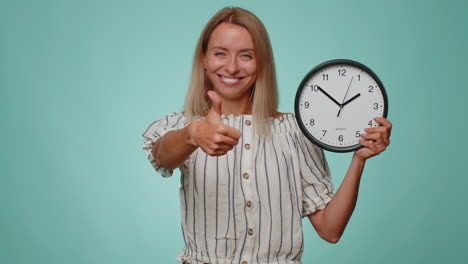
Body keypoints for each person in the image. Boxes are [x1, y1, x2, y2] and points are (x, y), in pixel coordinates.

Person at [142, 7, 392, 264]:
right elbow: (162, 156)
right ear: (204, 59)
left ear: (261, 62)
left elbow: (330, 230)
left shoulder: (293, 131)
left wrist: (359, 159)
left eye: (246, 56)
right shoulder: (185, 126)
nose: (231, 67)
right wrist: (192, 134)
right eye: (220, 53)